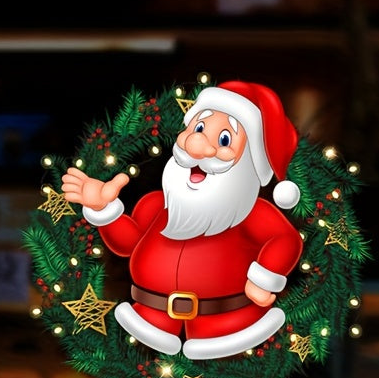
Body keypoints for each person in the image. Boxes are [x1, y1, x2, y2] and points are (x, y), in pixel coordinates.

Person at [62, 81, 303, 360]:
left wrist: (264, 278)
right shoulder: (156, 206)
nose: (197, 146)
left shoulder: (252, 214)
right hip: (148, 319)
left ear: (249, 163)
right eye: (198, 129)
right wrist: (103, 208)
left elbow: (285, 240)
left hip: (229, 325)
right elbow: (126, 244)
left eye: (224, 140)